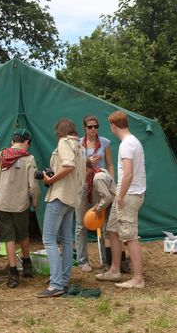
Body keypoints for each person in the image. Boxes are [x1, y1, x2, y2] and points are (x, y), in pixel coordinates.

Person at [95, 110, 147, 289]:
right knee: (113, 231)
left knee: (130, 236)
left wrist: (120, 196)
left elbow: (128, 174)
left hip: (128, 195)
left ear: (113, 126)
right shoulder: (134, 142)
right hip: (126, 194)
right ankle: (115, 270)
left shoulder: (126, 144)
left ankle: (138, 279)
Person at [38, 118, 86, 298]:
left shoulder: (64, 142)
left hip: (60, 195)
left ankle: (56, 283)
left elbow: (68, 166)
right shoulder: (80, 147)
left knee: (49, 239)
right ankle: (63, 279)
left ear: (60, 132)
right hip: (72, 198)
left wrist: (50, 180)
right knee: (66, 240)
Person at [0, 128, 38, 287]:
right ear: (26, 142)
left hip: (3, 202)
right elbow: (32, 185)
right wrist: (35, 200)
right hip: (21, 204)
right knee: (23, 234)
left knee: (9, 237)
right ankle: (27, 264)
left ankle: (13, 272)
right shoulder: (29, 159)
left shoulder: (1, 155)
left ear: (13, 141)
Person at [76, 114, 116, 272]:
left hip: (99, 186)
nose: (93, 129)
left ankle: (105, 261)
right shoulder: (78, 144)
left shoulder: (105, 142)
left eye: (96, 126)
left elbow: (110, 165)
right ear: (84, 128)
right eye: (90, 127)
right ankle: (82, 261)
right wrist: (87, 162)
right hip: (82, 186)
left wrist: (111, 182)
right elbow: (75, 166)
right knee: (80, 225)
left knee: (102, 224)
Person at [84, 159, 116, 268]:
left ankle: (109, 265)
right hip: (113, 205)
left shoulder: (97, 178)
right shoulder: (101, 171)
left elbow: (107, 198)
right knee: (114, 235)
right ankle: (120, 263)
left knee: (107, 234)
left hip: (112, 206)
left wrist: (98, 209)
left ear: (87, 169)